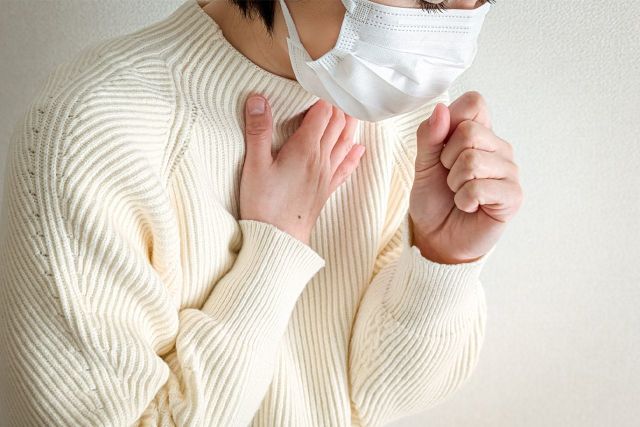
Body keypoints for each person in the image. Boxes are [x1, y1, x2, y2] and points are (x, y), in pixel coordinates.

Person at [0, 0, 523, 425]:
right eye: (430, 0)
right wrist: (274, 251)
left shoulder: (403, 116)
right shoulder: (87, 133)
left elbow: (382, 395)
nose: (452, 34)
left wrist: (442, 257)